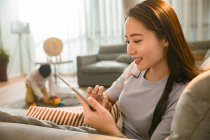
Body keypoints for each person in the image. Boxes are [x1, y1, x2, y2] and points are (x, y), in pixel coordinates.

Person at [76, 0, 199, 140]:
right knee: (45, 123)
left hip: (112, 135)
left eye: (137, 41)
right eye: (127, 41)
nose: (129, 50)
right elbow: (108, 97)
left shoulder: (181, 94)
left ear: (165, 39)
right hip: (103, 132)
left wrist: (109, 129)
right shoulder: (135, 69)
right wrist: (101, 101)